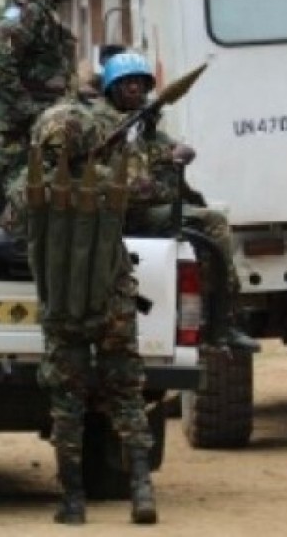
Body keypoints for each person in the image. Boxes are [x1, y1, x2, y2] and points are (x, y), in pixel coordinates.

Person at [6, 101, 158, 526]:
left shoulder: (27, 186)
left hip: (61, 311)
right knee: (126, 396)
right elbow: (150, 191)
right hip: (112, 306)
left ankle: (73, 502)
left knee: (66, 406)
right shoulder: (111, 181)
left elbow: (10, 224)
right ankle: (142, 491)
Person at [95, 52, 259, 352]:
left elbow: (164, 150)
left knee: (211, 218)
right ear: (112, 89)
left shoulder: (144, 126)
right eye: (127, 83)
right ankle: (224, 323)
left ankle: (221, 316)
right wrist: (166, 161)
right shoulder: (106, 128)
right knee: (213, 223)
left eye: (140, 84)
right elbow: (135, 187)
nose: (135, 89)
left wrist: (178, 152)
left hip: (150, 212)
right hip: (124, 215)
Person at [0, 0, 79, 189]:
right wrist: (32, 112)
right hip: (15, 130)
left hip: (33, 126)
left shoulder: (44, 11)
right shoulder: (29, 12)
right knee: (29, 199)